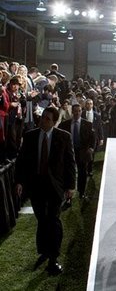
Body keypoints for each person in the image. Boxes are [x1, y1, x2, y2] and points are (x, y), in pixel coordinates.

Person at [15, 106, 76, 275]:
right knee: (42, 219)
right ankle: (44, 250)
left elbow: (70, 163)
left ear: (54, 122)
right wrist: (19, 181)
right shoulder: (30, 136)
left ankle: (53, 258)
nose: (43, 120)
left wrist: (71, 186)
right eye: (42, 117)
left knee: (53, 220)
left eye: (47, 119)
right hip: (36, 186)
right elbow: (21, 160)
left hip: (56, 187)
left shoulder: (64, 137)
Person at [59, 104, 96, 200]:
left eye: (79, 111)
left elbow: (93, 137)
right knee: (68, 172)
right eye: (75, 111)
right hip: (69, 152)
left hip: (82, 152)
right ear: (72, 112)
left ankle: (81, 192)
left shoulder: (87, 124)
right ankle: (68, 194)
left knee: (82, 172)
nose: (77, 113)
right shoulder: (64, 125)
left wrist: (91, 148)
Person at [82, 98, 104, 176]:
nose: (89, 105)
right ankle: (83, 169)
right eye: (87, 103)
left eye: (90, 103)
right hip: (84, 137)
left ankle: (90, 170)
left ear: (92, 105)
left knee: (92, 154)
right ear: (85, 105)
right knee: (84, 153)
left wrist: (101, 138)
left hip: (94, 138)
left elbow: (99, 127)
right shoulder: (82, 114)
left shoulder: (97, 115)